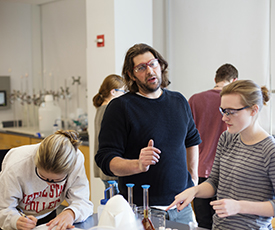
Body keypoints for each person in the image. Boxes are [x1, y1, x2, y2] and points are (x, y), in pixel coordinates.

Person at [95, 43, 201, 224]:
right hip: (143, 211)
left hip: (182, 208)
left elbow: (192, 140)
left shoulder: (179, 101)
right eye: (141, 68)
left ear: (160, 65)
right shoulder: (121, 107)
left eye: (153, 63)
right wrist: (138, 164)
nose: (150, 71)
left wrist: (193, 179)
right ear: (131, 75)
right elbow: (105, 159)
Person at [167, 80, 275, 229]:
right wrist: (194, 190)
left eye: (231, 112)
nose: (224, 118)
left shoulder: (270, 150)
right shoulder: (227, 138)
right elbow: (215, 182)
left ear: (253, 110)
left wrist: (239, 207)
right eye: (223, 110)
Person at [0, 130, 93, 230]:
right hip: (18, 217)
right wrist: (14, 221)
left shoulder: (75, 160)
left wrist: (71, 213)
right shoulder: (16, 165)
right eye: (43, 177)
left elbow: (83, 201)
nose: (48, 184)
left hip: (48, 216)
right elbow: (4, 208)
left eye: (57, 180)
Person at [188, 63, 238, 229]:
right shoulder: (234, 101)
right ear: (234, 80)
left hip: (200, 169)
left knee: (203, 223)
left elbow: (186, 137)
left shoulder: (195, 100)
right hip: (227, 172)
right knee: (225, 222)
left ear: (215, 79)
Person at [92, 74, 125, 192]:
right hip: (110, 169)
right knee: (115, 205)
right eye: (123, 91)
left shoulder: (101, 108)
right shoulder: (109, 110)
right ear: (113, 92)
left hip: (104, 168)